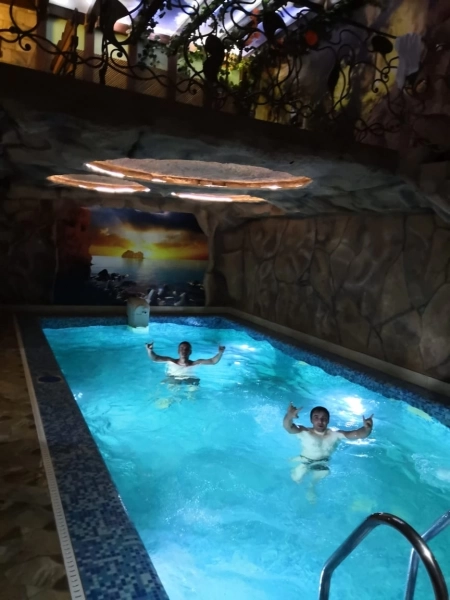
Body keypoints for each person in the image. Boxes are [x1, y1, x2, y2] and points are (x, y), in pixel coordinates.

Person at [283, 404, 373, 487]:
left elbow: (358, 434)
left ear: (328, 421)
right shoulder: (304, 431)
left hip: (322, 463)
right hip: (305, 461)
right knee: (296, 480)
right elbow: (288, 427)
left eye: (324, 418)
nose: (320, 421)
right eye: (316, 417)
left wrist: (367, 428)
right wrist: (289, 416)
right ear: (311, 420)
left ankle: (311, 486)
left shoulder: (335, 435)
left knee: (318, 479)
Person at [146, 341, 225, 385]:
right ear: (178, 351)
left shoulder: (196, 363)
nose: (184, 350)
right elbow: (155, 358)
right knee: (173, 384)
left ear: (190, 352)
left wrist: (220, 353)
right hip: (173, 378)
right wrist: (149, 350)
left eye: (186, 349)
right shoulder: (170, 361)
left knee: (194, 384)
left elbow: (213, 361)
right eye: (181, 348)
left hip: (189, 378)